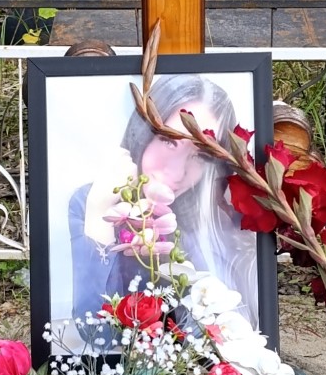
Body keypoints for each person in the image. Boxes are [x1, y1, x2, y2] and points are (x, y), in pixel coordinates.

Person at [64, 73, 259, 342]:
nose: (177, 172)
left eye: (201, 156)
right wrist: (99, 214)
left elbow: (226, 333)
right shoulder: (91, 200)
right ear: (142, 133)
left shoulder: (216, 216)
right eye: (169, 141)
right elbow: (96, 334)